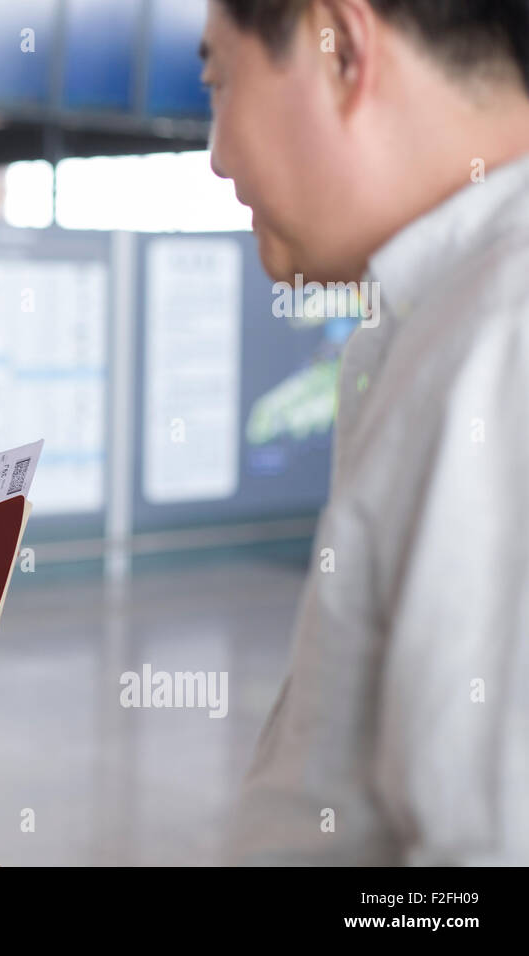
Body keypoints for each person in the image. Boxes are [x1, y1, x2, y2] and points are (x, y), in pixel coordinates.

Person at [199, 0, 529, 863]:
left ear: (338, 48)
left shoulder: (506, 334)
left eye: (219, 81)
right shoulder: (437, 317)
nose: (217, 154)